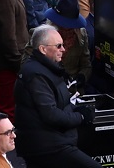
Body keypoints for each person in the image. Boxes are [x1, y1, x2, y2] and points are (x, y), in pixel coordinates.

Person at [16, 25, 90, 168]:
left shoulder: (48, 69)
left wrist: (77, 109)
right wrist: (80, 117)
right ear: (43, 49)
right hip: (46, 145)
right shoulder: (36, 74)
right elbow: (50, 114)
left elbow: (60, 103)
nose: (63, 49)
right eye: (58, 46)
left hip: (52, 141)